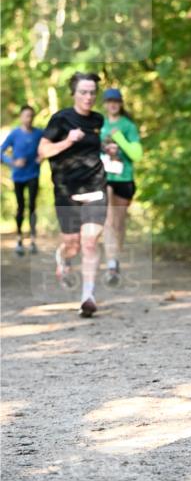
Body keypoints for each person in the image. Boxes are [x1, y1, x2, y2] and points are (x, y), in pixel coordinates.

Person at [37, 72, 107, 318]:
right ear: (74, 93)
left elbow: (97, 149)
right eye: (83, 92)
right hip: (66, 191)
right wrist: (67, 140)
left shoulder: (99, 120)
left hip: (96, 187)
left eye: (92, 93)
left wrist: (109, 148)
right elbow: (43, 151)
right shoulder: (61, 119)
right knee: (73, 245)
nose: (88, 97)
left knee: (89, 242)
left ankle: (88, 296)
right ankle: (63, 258)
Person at [101, 87, 143, 285]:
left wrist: (119, 138)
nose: (112, 104)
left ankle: (115, 259)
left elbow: (137, 155)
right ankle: (110, 264)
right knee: (108, 220)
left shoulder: (128, 126)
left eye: (116, 101)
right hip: (104, 178)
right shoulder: (99, 125)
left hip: (124, 178)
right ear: (104, 104)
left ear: (120, 103)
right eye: (109, 101)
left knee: (118, 223)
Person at [1, 105, 43, 256]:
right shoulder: (14, 134)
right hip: (18, 176)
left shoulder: (39, 133)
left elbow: (47, 145)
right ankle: (19, 239)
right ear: (21, 117)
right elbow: (1, 152)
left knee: (32, 207)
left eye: (31, 116)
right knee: (20, 207)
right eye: (26, 115)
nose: (29, 118)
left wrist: (42, 156)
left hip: (33, 175)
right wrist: (12, 162)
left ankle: (32, 240)